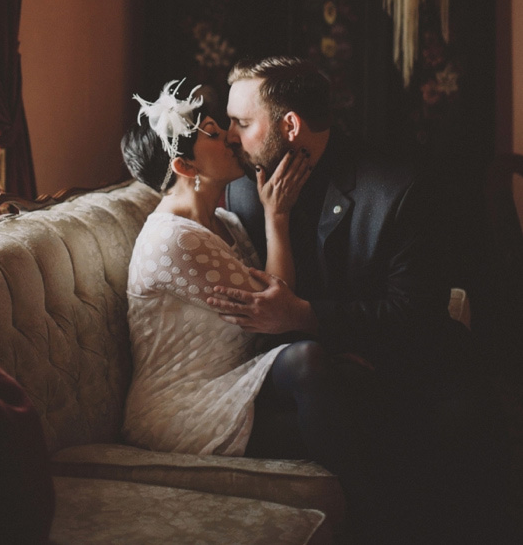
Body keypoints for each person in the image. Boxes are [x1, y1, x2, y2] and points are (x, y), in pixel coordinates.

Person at [208, 54, 509, 545]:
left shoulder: (398, 188)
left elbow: (416, 314)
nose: (232, 138)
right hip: (311, 376)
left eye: (242, 123)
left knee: (465, 425)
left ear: (289, 125)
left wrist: (309, 317)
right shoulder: (241, 190)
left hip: (405, 363)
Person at [120, 79, 313, 458]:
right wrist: (277, 216)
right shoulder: (173, 239)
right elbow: (278, 308)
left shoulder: (227, 222)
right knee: (310, 367)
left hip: (237, 381)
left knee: (326, 375)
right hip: (180, 412)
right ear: (184, 164)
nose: (230, 138)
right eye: (212, 133)